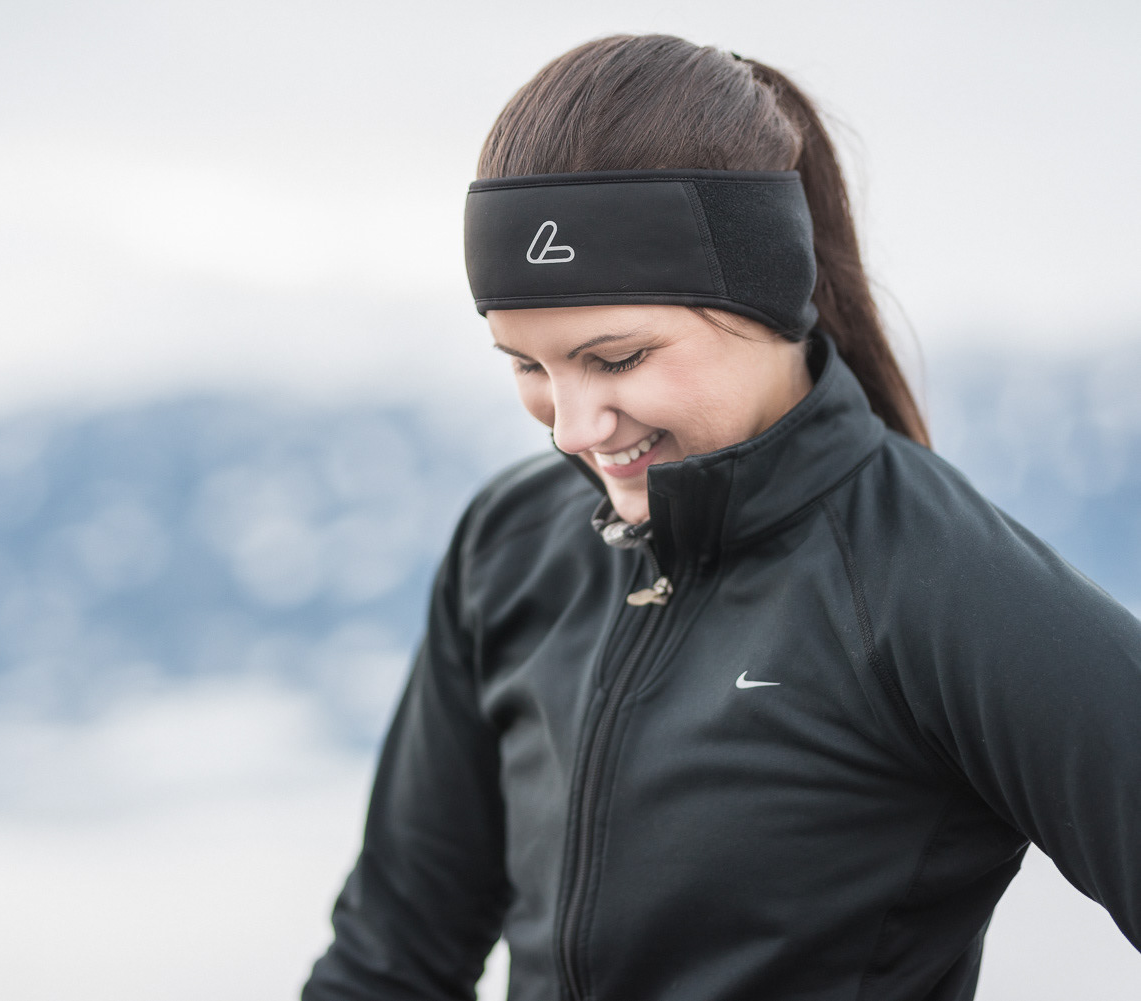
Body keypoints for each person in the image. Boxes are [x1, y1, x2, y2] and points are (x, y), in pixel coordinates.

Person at [302, 34, 1141, 1001]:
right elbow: (390, 957)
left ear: (768, 299)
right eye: (528, 365)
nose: (572, 426)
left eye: (616, 359)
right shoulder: (512, 545)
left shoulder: (934, 583)